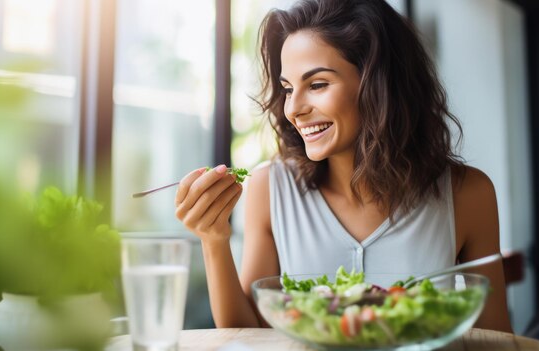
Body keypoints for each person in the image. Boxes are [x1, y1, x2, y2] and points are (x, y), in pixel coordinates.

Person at [174, 0, 512, 333]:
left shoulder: (468, 194)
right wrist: (213, 240)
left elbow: (494, 338)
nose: (293, 108)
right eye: (288, 88)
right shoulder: (270, 186)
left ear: (379, 83)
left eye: (317, 84)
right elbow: (249, 334)